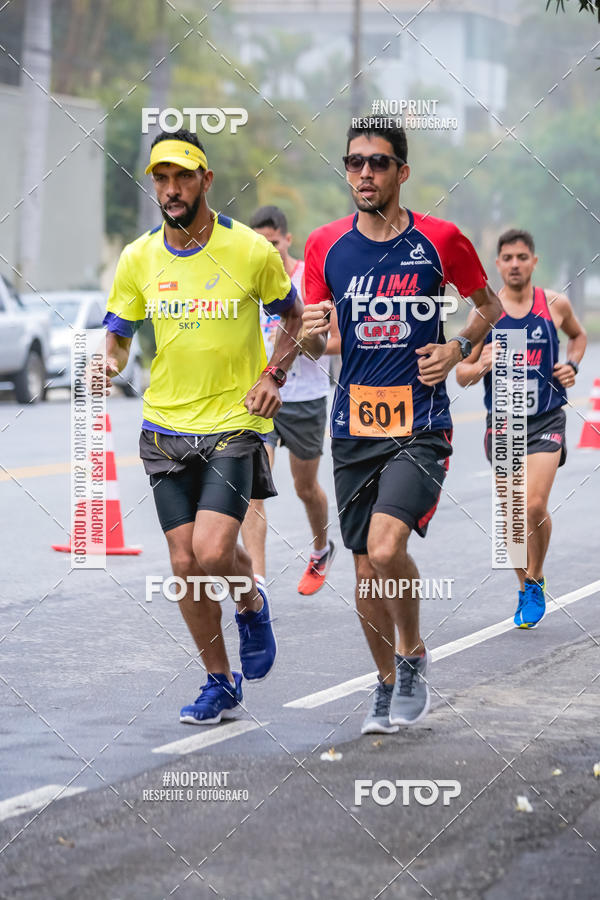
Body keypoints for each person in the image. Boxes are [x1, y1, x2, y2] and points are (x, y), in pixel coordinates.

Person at [300, 119, 502, 735]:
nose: (365, 173)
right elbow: (312, 336)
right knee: (364, 569)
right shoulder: (325, 246)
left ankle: (411, 654)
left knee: (387, 549)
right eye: (355, 162)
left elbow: (487, 308)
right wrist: (305, 338)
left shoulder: (441, 240)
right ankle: (384, 684)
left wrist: (458, 346)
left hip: (422, 425)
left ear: (401, 173)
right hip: (353, 428)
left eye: (379, 163)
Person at [98, 129, 303, 724]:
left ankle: (249, 602)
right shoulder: (139, 257)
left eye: (183, 176)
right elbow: (119, 335)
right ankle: (220, 681)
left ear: (205, 181)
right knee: (184, 564)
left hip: (234, 425)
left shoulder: (249, 252)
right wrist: (105, 366)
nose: (171, 189)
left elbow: (291, 317)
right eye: (161, 178)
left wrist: (275, 376)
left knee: (213, 552)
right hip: (165, 430)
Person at [456, 228, 586, 629]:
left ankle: (535, 576)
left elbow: (578, 337)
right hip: (504, 423)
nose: (514, 264)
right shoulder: (484, 314)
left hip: (547, 417)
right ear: (497, 264)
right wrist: (479, 365)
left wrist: (572, 365)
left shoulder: (555, 304)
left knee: (533, 505)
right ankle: (528, 585)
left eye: (521, 257)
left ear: (533, 261)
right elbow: (460, 372)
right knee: (512, 516)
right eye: (507, 258)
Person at [240, 205, 336, 596]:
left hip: (305, 398)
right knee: (253, 488)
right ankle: (258, 583)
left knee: (305, 487)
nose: (268, 251)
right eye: (260, 244)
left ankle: (320, 548)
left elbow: (326, 345)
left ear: (287, 239)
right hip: (262, 397)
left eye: (274, 243)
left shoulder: (306, 279)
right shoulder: (249, 281)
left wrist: (303, 338)